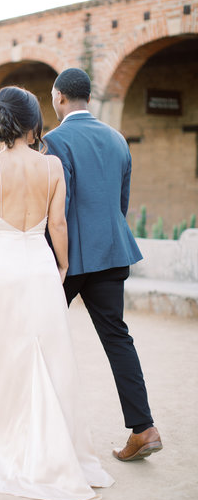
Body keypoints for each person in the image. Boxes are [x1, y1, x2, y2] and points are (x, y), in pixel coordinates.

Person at [0, 86, 114, 500]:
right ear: (35, 123)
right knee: (47, 355)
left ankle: (0, 436)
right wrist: (62, 264)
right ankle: (55, 451)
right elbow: (58, 225)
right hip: (38, 266)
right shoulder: (52, 166)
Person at [44, 68, 163, 462]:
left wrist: (53, 260)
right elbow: (121, 202)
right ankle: (144, 429)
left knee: (38, 335)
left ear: (60, 98)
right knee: (117, 338)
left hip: (69, 259)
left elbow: (58, 207)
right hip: (112, 253)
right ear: (88, 98)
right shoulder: (117, 139)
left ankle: (40, 431)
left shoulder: (54, 141)